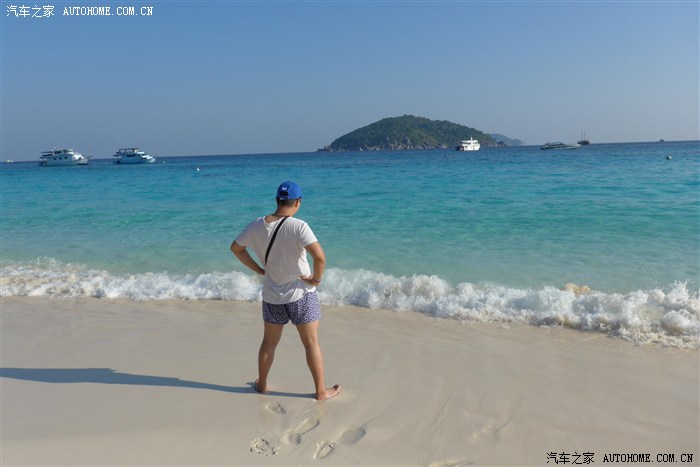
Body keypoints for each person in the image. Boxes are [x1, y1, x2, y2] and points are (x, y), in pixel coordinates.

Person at [230, 181, 341, 401]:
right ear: (298, 202)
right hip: (301, 294)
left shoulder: (256, 225)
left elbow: (236, 248)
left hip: (272, 296)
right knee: (311, 343)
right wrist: (316, 280)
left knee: (269, 343)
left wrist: (259, 270)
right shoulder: (299, 226)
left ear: (277, 200)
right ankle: (320, 391)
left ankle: (262, 385)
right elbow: (320, 257)